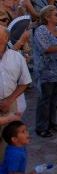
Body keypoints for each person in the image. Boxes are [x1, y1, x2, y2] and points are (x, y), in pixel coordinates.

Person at [31, 6, 57, 138]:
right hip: (45, 71)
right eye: (55, 15)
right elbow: (46, 48)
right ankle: (41, 127)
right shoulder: (41, 30)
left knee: (54, 99)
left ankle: (52, 123)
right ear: (47, 17)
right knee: (45, 99)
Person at [0, 27, 31, 160]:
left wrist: (9, 100)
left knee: (8, 140)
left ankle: (7, 171)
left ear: (5, 39)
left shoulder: (16, 57)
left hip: (10, 103)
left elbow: (25, 82)